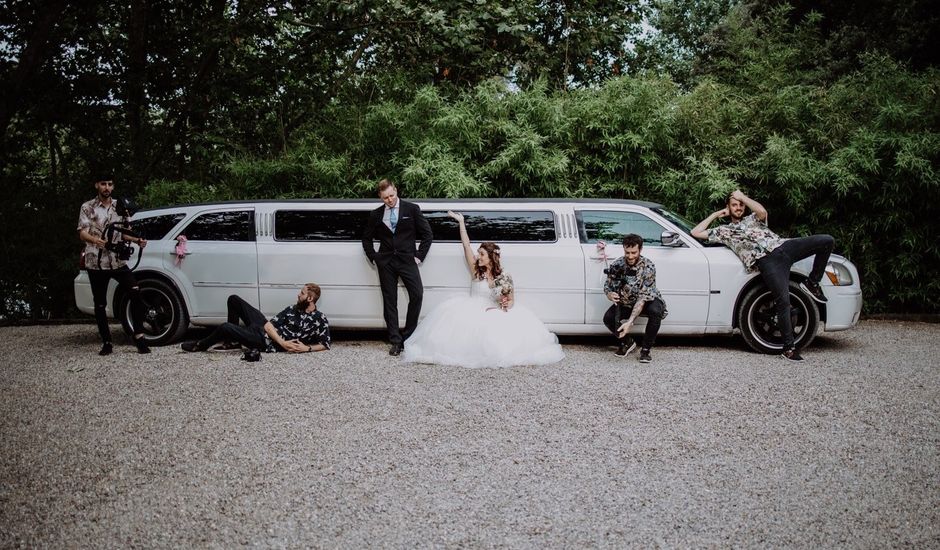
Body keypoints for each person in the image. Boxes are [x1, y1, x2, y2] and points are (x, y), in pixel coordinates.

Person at [402, 211, 565, 368]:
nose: (478, 257)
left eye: (481, 254)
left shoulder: (504, 277)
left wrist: (506, 305)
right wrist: (461, 223)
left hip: (492, 309)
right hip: (470, 308)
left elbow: (511, 299)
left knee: (503, 331)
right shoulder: (475, 270)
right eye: (478, 253)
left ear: (491, 258)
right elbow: (466, 245)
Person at [691, 189, 834, 362]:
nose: (738, 207)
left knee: (827, 240)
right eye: (734, 205)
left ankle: (812, 283)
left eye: (740, 205)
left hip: (783, 247)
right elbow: (696, 232)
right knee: (783, 301)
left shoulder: (753, 219)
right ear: (728, 207)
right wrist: (716, 214)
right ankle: (789, 349)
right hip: (768, 262)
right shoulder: (724, 231)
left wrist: (743, 197)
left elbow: (762, 211)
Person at [77, 176, 150, 355]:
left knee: (135, 292)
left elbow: (124, 233)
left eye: (109, 184)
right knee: (100, 304)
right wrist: (96, 240)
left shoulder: (121, 206)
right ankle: (107, 342)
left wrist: (137, 240)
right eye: (103, 184)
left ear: (113, 186)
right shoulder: (88, 207)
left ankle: (139, 335)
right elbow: (82, 233)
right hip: (96, 261)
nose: (106, 187)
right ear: (97, 185)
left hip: (117, 260)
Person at [361, 179, 433, 356]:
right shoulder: (375, 214)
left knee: (417, 294)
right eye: (385, 197)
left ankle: (408, 337)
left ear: (396, 191)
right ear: (380, 197)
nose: (390, 200)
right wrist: (375, 258)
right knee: (389, 301)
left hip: (408, 260)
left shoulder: (412, 209)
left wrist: (418, 256)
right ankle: (395, 340)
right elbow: (366, 239)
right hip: (386, 263)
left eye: (392, 195)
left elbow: (427, 234)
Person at [179, 284, 330, 354]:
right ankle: (232, 342)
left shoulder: (320, 319)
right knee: (234, 299)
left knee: (226, 327)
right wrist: (282, 342)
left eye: (302, 293)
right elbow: (269, 325)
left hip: (264, 342)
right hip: (268, 331)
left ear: (310, 298)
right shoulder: (292, 309)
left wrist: (308, 348)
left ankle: (200, 345)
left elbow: (325, 344)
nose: (298, 295)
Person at [602, 234, 668, 363]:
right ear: (623, 249)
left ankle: (645, 350)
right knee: (608, 318)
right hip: (627, 301)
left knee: (656, 311)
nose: (630, 256)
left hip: (647, 300)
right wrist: (609, 294)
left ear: (640, 250)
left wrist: (630, 322)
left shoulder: (648, 266)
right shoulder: (617, 264)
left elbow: (643, 298)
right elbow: (608, 285)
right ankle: (627, 342)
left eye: (634, 252)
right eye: (627, 252)